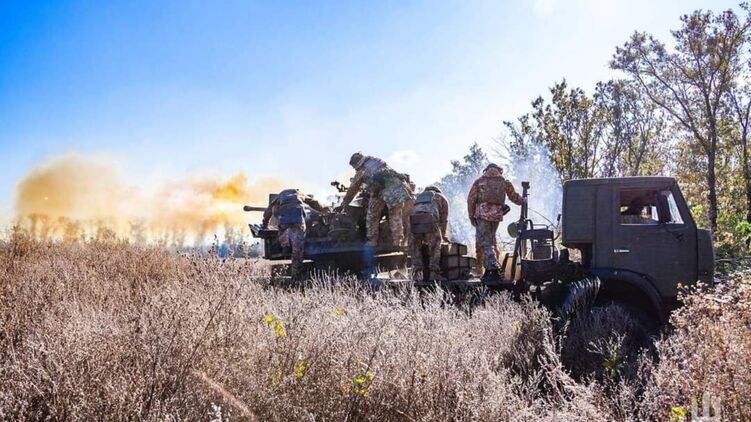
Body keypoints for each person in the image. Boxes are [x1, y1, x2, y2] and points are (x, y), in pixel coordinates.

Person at [339, 152, 413, 247]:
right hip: (397, 188)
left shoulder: (362, 170)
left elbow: (353, 189)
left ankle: (372, 242)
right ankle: (397, 242)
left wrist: (344, 204)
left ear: (356, 163)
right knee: (395, 215)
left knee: (372, 215)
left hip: (381, 190)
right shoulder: (377, 161)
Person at [467, 164, 526, 279]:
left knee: (485, 242)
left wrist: (471, 216)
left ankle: (493, 267)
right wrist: (523, 200)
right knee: (491, 241)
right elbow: (514, 197)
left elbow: (471, 199)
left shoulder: (480, 181)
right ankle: (488, 270)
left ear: (486, 170)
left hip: (482, 215)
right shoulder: (504, 182)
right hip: (497, 215)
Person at [262, 189, 326, 278]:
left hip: (284, 218)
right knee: (298, 248)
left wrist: (265, 223)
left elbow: (269, 210)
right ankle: (296, 272)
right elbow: (314, 202)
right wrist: (324, 209)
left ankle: (285, 246)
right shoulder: (299, 194)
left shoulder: (280, 196)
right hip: (298, 218)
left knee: (282, 233)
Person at [409, 186, 449, 281]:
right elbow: (444, 220)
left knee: (415, 248)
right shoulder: (441, 197)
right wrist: (442, 236)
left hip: (414, 222)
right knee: (434, 248)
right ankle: (434, 274)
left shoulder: (418, 197)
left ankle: (416, 275)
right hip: (431, 221)